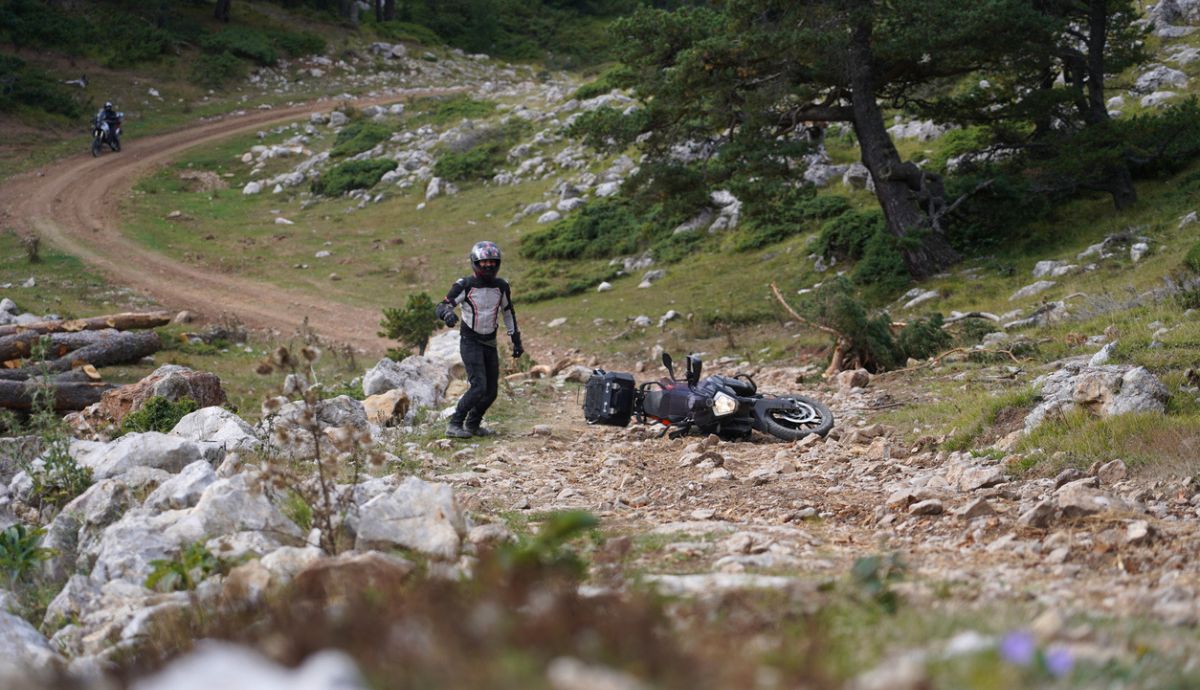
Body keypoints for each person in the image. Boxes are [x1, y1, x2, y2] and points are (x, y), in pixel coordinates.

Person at [435, 241, 523, 438]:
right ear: (475, 263)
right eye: (484, 263)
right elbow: (442, 305)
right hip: (470, 342)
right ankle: (454, 424)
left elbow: (508, 313)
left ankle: (473, 425)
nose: (489, 266)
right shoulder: (464, 285)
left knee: (491, 392)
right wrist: (447, 315)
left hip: (490, 343)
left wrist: (516, 340)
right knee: (479, 387)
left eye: (493, 262)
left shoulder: (501, 287)